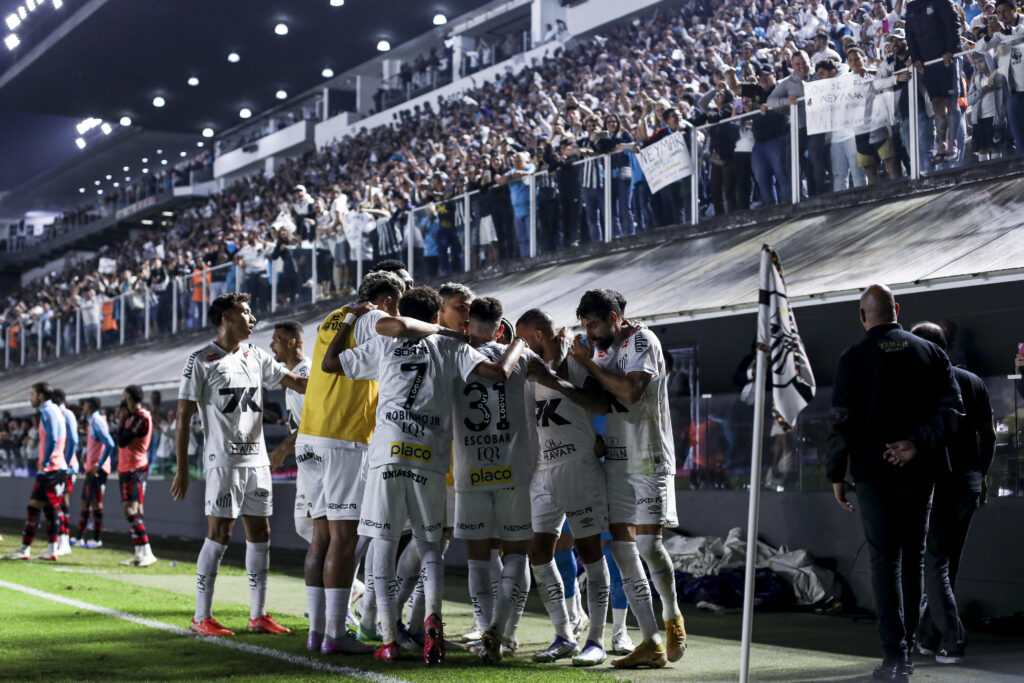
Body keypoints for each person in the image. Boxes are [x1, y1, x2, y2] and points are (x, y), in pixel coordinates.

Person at [321, 285, 526, 664]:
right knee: (431, 545)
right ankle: (434, 624)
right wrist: (517, 344)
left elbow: (330, 364)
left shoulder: (385, 342)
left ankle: (386, 636)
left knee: (383, 544)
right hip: (430, 458)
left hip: (388, 454)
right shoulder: (452, 346)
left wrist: (350, 317)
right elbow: (496, 373)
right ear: (437, 315)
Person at [826, 285, 963, 683]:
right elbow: (953, 411)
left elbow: (840, 422)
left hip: (871, 475)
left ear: (862, 315)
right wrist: (916, 444)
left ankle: (895, 657)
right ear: (897, 310)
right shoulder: (932, 353)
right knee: (914, 559)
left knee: (883, 563)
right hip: (919, 472)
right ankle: (910, 651)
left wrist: (837, 474)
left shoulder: (852, 359)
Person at [172, 293, 308, 637]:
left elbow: (299, 383)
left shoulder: (256, 355)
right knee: (219, 534)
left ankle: (258, 615)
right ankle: (201, 616)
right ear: (226, 317)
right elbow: (183, 418)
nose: (253, 318)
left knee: (261, 534)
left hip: (257, 461)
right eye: (246, 312)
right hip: (224, 462)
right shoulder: (201, 360)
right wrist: (183, 468)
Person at [569, 289, 686, 669]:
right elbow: (602, 402)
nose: (590, 331)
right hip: (616, 462)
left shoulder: (641, 340)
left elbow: (632, 392)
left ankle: (673, 617)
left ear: (615, 317)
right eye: (586, 325)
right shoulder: (598, 350)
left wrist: (590, 367)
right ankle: (650, 640)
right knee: (621, 550)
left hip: (648, 456)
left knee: (650, 546)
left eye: (595, 324)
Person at [295, 270, 406, 654]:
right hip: (343, 439)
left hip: (309, 436)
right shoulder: (375, 317)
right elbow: (403, 329)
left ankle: (317, 632)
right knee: (344, 539)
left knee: (321, 539)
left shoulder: (333, 317)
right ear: (389, 300)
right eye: (401, 299)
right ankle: (334, 635)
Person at [515, 308, 615, 666]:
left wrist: (556, 381)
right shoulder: (527, 370)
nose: (521, 346)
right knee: (538, 550)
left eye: (524, 339)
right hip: (543, 471)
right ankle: (564, 634)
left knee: (590, 552)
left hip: (580, 469)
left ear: (539, 335)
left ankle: (597, 639)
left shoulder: (578, 358)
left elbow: (600, 403)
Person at [450, 298, 539, 663]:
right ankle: (501, 633)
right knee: (516, 553)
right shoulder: (521, 356)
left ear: (468, 325)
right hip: (514, 471)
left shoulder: (456, 355)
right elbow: (560, 382)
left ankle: (486, 629)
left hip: (470, 471)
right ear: (501, 327)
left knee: (477, 558)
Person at [909, 322, 996, 664]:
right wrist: (982, 473)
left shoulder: (925, 383)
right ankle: (930, 638)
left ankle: (953, 640)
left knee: (934, 565)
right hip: (968, 484)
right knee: (946, 566)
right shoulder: (972, 381)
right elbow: (988, 435)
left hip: (939, 486)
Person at [3, 383, 66, 562]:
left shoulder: (47, 411)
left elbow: (53, 437)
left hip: (50, 468)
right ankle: (47, 549)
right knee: (45, 507)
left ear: (40, 396)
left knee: (38, 507)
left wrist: (45, 462)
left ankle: (29, 548)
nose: (29, 397)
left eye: (31, 394)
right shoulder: (56, 411)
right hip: (57, 466)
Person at [266, 320, 312, 542]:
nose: (271, 345)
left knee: (310, 526)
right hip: (307, 461)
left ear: (292, 342)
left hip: (318, 462)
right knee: (307, 527)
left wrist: (281, 450)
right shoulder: (293, 375)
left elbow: (312, 423)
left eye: (276, 340)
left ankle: (343, 575)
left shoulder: (307, 374)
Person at [905, 0, 963, 162]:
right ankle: (942, 144)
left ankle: (953, 143)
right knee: (937, 103)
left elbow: (953, 25)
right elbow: (909, 35)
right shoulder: (911, 7)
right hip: (928, 63)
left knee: (951, 101)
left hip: (948, 59)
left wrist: (951, 50)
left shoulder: (943, 1)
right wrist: (916, 58)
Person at [115, 385, 157, 568]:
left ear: (129, 397)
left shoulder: (140, 417)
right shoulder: (133, 417)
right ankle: (140, 553)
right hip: (127, 468)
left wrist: (122, 421)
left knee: (131, 510)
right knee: (134, 510)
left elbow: (122, 440)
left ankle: (147, 551)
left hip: (135, 469)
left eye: (124, 395)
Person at [74, 397, 115, 549]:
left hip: (97, 471)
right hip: (91, 469)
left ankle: (97, 539)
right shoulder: (94, 421)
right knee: (85, 502)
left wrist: (98, 464)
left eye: (84, 405)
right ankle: (79, 537)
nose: (82, 408)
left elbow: (110, 443)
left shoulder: (97, 422)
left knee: (96, 504)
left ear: (89, 406)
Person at [53, 388, 79, 556]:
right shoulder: (57, 414)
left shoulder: (66, 414)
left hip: (66, 466)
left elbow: (74, 440)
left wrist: (66, 462)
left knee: (62, 501)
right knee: (57, 501)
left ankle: (64, 540)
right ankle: (60, 538)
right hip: (59, 465)